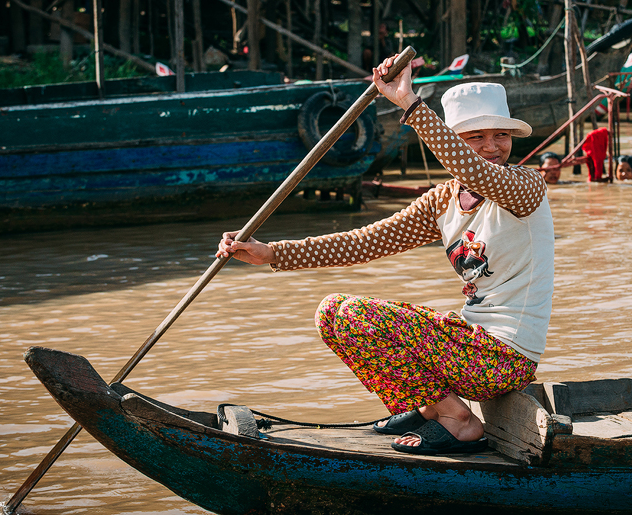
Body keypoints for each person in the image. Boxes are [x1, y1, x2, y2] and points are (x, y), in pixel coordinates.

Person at [217, 59, 554, 456]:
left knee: (344, 312)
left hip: (503, 358)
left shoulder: (526, 186)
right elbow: (365, 242)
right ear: (453, 141)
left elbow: (481, 174)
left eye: (501, 135)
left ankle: (458, 421)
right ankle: (432, 407)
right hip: (471, 347)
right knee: (335, 316)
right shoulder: (444, 200)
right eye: (475, 137)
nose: (492, 147)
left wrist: (409, 103)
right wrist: (272, 253)